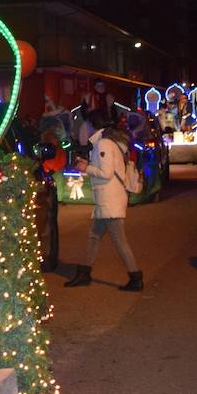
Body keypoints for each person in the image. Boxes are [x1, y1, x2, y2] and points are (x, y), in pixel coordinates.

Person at [65, 111, 143, 292]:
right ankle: (84, 272)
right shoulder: (108, 142)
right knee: (94, 236)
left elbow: (106, 173)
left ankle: (136, 277)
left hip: (110, 200)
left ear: (92, 125)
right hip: (107, 199)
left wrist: (87, 168)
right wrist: (89, 165)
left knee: (119, 241)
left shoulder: (104, 144)